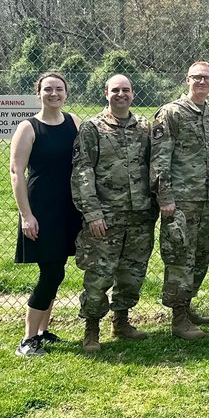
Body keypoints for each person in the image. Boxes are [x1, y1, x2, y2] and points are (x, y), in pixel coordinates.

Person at [71, 74, 156, 353]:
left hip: (140, 215)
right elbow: (83, 171)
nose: (121, 94)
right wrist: (92, 213)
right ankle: (92, 328)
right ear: (106, 93)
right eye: (115, 90)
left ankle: (121, 321)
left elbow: (154, 167)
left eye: (126, 90)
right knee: (99, 275)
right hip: (105, 218)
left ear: (133, 94)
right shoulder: (92, 128)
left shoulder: (144, 127)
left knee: (132, 273)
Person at [10, 72, 82, 357]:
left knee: (57, 270)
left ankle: (42, 331)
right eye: (48, 89)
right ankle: (27, 340)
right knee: (50, 272)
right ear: (38, 93)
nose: (54, 94)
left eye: (59, 89)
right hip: (41, 209)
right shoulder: (28, 127)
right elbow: (17, 173)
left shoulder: (74, 122)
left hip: (68, 207)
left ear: (66, 93)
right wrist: (26, 215)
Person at [151, 61, 209, 341]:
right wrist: (165, 197)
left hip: (206, 200)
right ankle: (178, 318)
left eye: (207, 78)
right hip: (180, 201)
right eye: (197, 77)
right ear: (187, 79)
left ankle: (187, 305)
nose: (202, 82)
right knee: (180, 257)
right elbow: (159, 159)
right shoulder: (171, 113)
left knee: (200, 257)